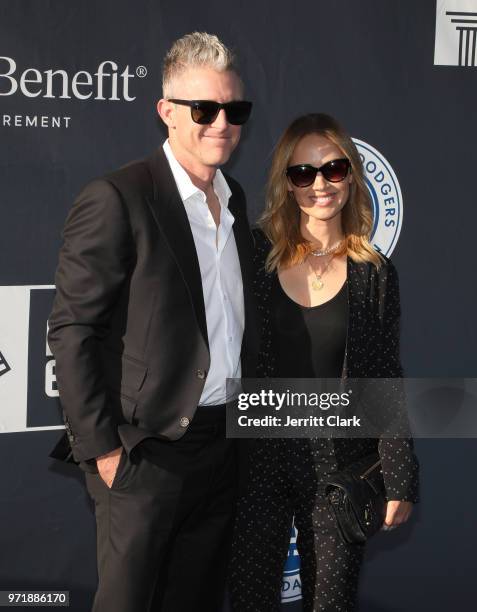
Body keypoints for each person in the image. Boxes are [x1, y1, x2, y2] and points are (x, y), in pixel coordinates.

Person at [48, 32, 258, 612]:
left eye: (233, 110)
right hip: (145, 448)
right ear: (166, 111)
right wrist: (104, 452)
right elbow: (73, 330)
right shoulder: (118, 196)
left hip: (223, 443)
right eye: (204, 109)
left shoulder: (235, 200)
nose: (221, 123)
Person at [230, 113, 419, 611]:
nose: (320, 185)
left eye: (333, 169)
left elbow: (384, 378)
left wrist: (399, 479)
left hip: (340, 463)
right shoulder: (253, 254)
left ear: (351, 175)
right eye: (303, 173)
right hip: (258, 456)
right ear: (286, 184)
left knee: (330, 605)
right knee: (249, 599)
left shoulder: (373, 273)